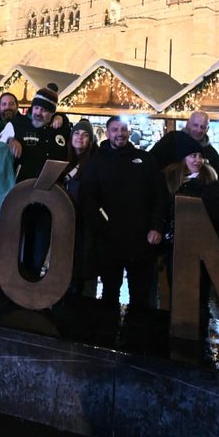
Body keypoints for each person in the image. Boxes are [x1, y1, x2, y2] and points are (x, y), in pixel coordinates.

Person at [80, 116, 167, 308]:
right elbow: (88, 198)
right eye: (115, 129)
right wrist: (102, 226)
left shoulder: (145, 160)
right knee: (110, 292)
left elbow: (159, 196)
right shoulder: (96, 162)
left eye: (123, 129)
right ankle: (106, 334)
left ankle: (138, 335)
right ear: (108, 132)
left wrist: (156, 227)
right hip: (109, 240)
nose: (120, 133)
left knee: (141, 295)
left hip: (141, 240)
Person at [0, 83, 69, 277]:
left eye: (45, 111)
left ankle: (33, 282)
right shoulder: (17, 125)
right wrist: (11, 141)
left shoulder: (61, 129)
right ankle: (10, 283)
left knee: (39, 247)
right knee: (14, 246)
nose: (38, 113)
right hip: (19, 197)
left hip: (48, 201)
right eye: (36, 108)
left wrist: (62, 118)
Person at [159, 131, 219, 313]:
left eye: (200, 156)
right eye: (193, 156)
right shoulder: (170, 180)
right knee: (176, 289)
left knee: (200, 294)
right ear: (183, 158)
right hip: (175, 245)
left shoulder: (210, 183)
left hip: (202, 247)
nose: (198, 160)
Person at [61, 118, 99, 297]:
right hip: (64, 218)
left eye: (85, 135)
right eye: (76, 133)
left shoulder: (94, 162)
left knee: (84, 265)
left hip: (85, 221)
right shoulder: (64, 160)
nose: (80, 138)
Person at [149, 111, 219, 174]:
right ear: (188, 124)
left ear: (207, 129)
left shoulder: (212, 154)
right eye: (195, 125)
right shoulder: (171, 140)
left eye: (202, 127)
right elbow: (152, 161)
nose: (198, 130)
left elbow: (215, 180)